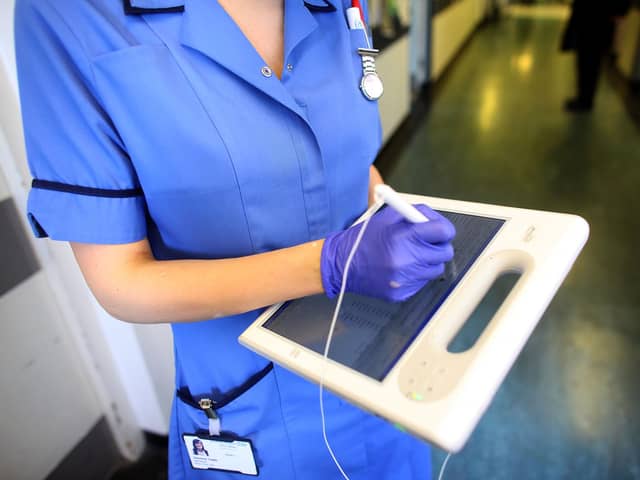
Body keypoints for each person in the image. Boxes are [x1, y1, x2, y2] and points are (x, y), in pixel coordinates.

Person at [15, 0, 456, 478]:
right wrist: (328, 264)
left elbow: (346, 154)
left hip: (380, 368)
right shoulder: (69, 14)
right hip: (253, 400)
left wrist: (390, 210)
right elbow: (120, 282)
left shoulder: (341, 6)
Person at [561, 0, 631, 112]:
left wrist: (617, 12)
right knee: (585, 62)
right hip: (590, 20)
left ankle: (585, 100)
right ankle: (583, 98)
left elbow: (623, 7)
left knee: (589, 63)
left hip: (597, 23)